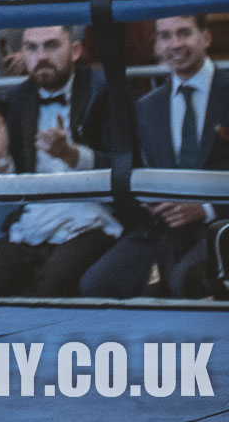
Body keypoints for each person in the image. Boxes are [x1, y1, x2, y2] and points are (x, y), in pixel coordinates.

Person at [0, 25, 116, 296]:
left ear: (76, 50)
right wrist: (0, 159)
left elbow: (122, 163)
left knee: (53, 284)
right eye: (31, 48)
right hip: (36, 220)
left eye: (52, 45)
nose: (41, 56)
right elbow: (17, 183)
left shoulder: (103, 89)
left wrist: (72, 154)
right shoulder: (18, 98)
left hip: (92, 216)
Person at [80, 15, 226, 299]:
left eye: (184, 33)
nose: (175, 44)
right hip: (164, 229)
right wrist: (146, 198)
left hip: (221, 224)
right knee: (97, 284)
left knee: (185, 281)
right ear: (156, 44)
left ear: (206, 38)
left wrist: (206, 208)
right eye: (165, 36)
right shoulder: (147, 107)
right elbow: (134, 171)